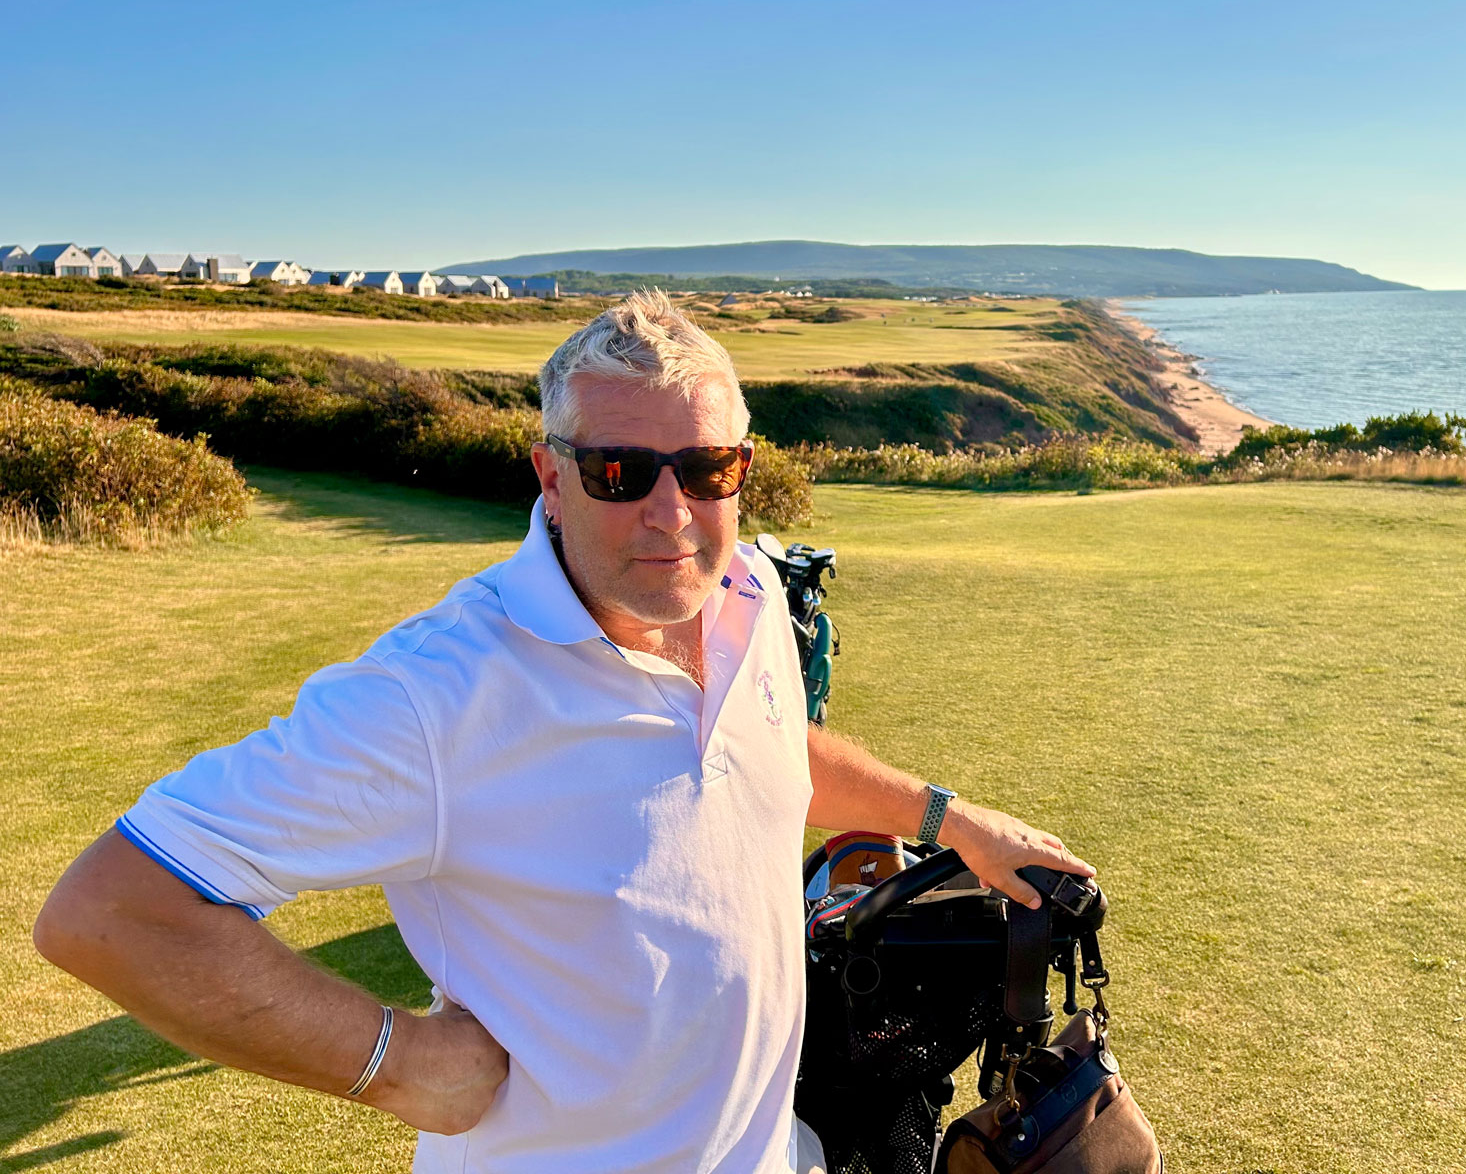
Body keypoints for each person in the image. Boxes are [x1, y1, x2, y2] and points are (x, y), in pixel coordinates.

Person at [33, 290, 1093, 1173]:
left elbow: (766, 751)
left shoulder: (749, 590)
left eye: (707, 470)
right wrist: (397, 1063)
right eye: (620, 472)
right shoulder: (437, 692)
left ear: (742, 467)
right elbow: (113, 911)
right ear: (551, 475)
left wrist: (952, 821)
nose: (672, 513)